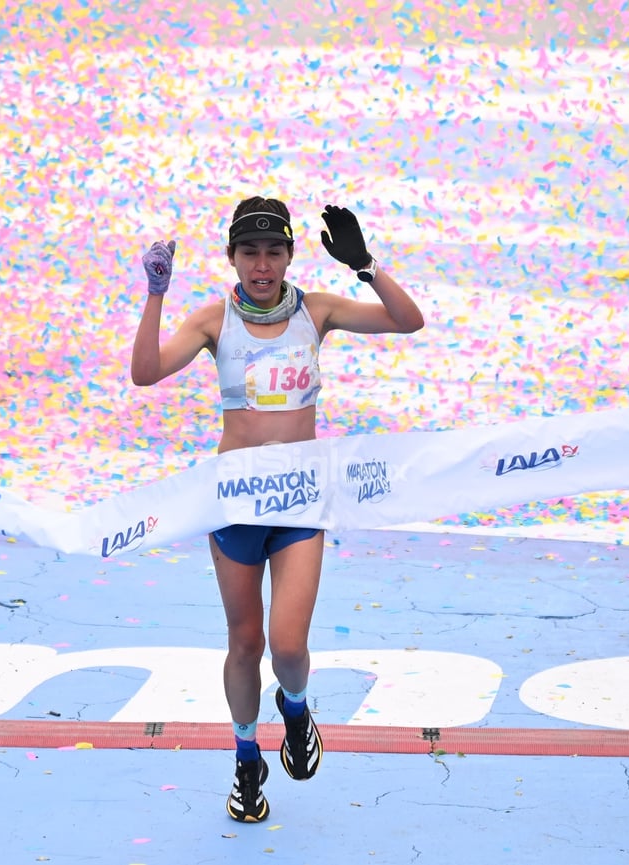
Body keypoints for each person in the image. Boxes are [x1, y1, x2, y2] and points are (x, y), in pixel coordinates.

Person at [130, 197, 424, 822]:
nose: (261, 265)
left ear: (290, 255)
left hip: (299, 500)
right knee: (244, 644)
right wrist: (155, 295)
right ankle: (245, 763)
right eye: (249, 253)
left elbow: (408, 321)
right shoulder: (214, 321)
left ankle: (296, 710)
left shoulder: (317, 311)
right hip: (234, 502)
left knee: (287, 645)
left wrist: (365, 265)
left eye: (273, 252)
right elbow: (146, 372)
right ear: (232, 258)